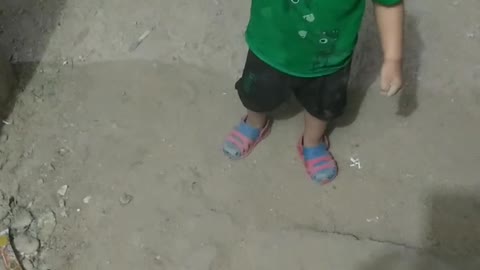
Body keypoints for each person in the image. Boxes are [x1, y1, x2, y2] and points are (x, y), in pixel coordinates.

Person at [223, 0, 404, 184]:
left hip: (328, 58)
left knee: (322, 107)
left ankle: (312, 141)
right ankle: (254, 123)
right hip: (268, 44)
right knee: (256, 95)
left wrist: (393, 58)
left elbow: (388, 4)